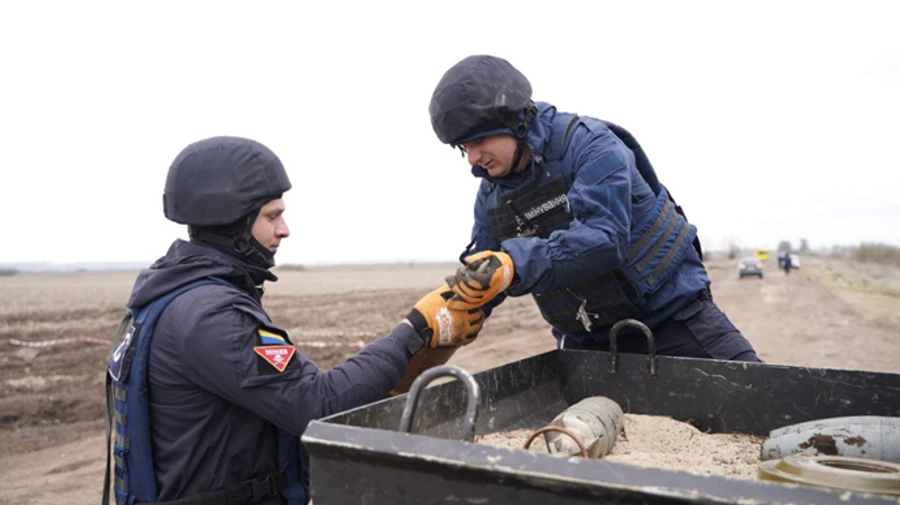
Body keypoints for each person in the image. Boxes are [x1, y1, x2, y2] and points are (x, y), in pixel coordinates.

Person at [103, 136, 484, 505]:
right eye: (272, 216)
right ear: (232, 222)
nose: (284, 229)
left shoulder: (178, 296)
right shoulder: (211, 316)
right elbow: (320, 404)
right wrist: (413, 330)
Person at [429, 55, 760, 362]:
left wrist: (514, 264)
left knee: (768, 399)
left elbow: (604, 239)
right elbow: (485, 273)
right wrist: (434, 321)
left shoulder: (591, 146)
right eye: (463, 147)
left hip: (675, 321)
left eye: (479, 141)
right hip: (585, 344)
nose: (472, 158)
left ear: (514, 122)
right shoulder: (491, 195)